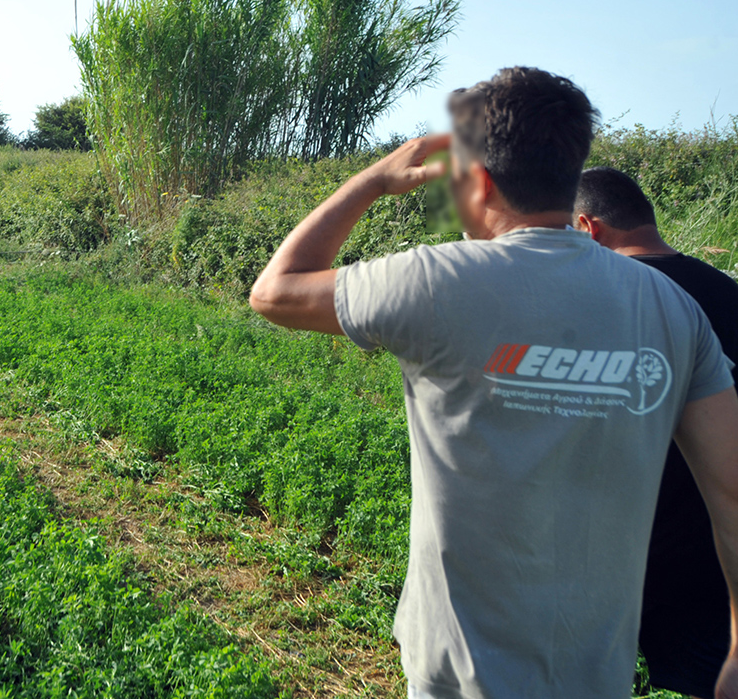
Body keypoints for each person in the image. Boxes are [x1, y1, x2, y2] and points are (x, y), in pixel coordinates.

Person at [248, 67, 738, 699]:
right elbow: (731, 492)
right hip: (595, 674)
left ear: (477, 181)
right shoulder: (672, 308)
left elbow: (274, 291)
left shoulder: (429, 281)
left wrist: (370, 182)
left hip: (455, 671)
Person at [575, 166, 738, 698]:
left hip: (608, 552)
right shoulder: (728, 295)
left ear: (587, 227)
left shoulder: (595, 301)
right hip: (712, 550)